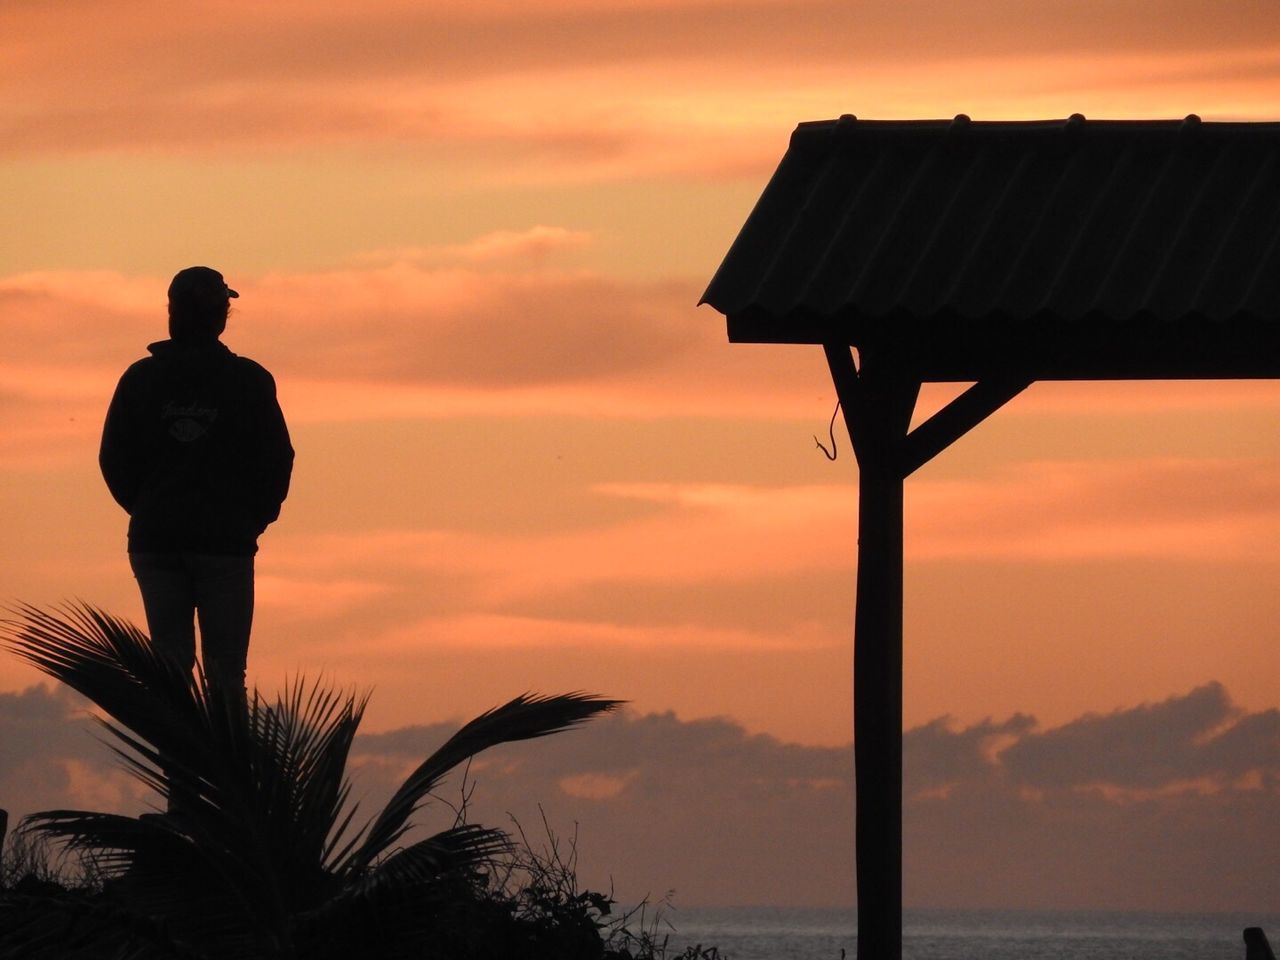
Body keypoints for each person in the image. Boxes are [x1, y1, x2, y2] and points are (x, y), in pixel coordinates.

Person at [100, 266, 293, 705]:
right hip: (222, 543)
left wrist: (150, 509)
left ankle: (175, 769)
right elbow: (277, 460)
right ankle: (221, 771)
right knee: (225, 675)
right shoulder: (247, 380)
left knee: (168, 667)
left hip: (159, 541)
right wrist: (249, 520)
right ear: (222, 316)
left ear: (171, 313)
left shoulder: (140, 379)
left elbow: (114, 459)